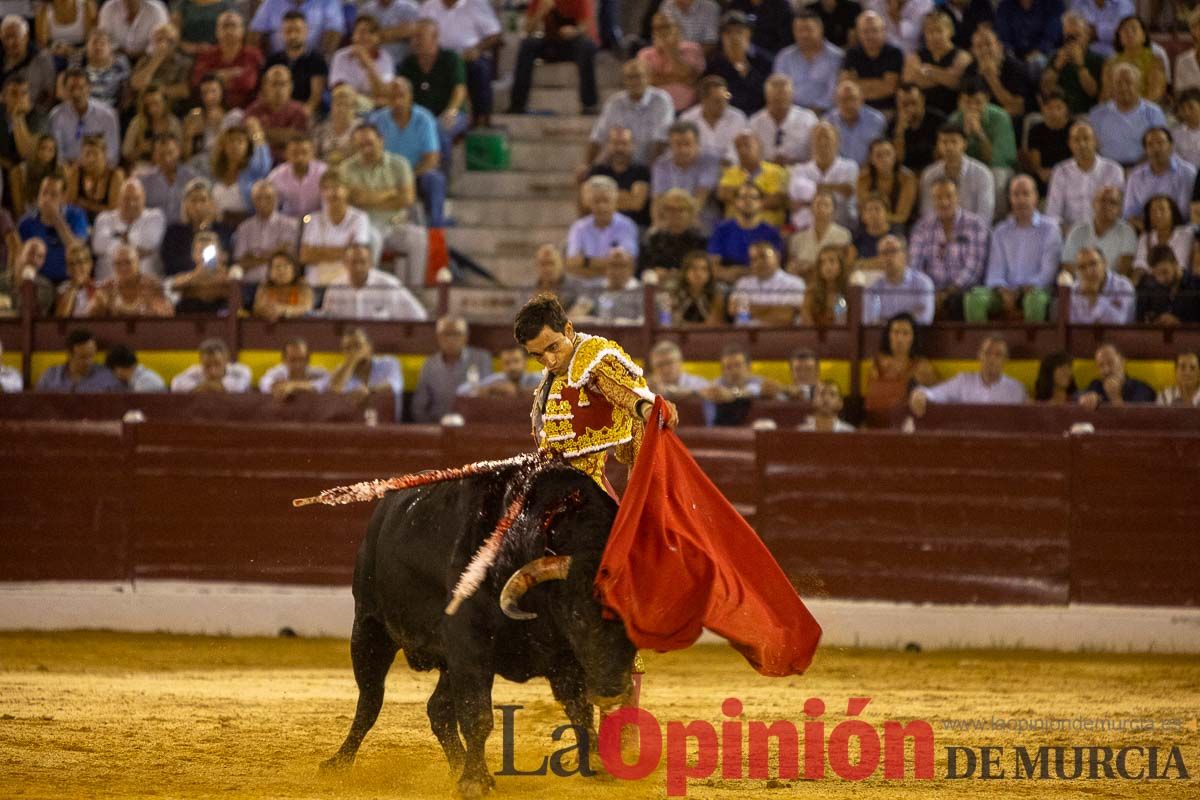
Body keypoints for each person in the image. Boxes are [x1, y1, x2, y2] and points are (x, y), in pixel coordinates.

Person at [515, 294, 679, 486]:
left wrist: (646, 408)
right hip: (557, 480)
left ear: (568, 330)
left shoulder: (593, 356)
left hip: (586, 485)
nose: (549, 361)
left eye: (553, 347)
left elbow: (618, 387)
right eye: (537, 355)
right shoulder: (554, 373)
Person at [338, 121, 428, 285]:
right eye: (360, 145)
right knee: (372, 239)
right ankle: (371, 288)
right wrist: (390, 194)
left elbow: (407, 199)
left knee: (418, 237)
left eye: (370, 143)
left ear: (381, 140)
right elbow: (352, 201)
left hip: (396, 224)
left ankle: (415, 290)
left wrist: (367, 198)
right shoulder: (346, 168)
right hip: (365, 224)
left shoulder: (399, 164)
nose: (366, 149)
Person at [972, 175, 1060, 322]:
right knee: (974, 299)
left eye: (1026, 194)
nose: (1020, 200)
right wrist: (1002, 290)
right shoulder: (1000, 231)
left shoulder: (1050, 229)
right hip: (1005, 291)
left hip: (1036, 290)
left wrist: (1021, 290)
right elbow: (994, 271)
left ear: (1035, 197)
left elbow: (1048, 273)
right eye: (1016, 194)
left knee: (1034, 301)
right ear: (1010, 198)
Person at [908, 177, 989, 320]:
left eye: (949, 196)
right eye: (938, 197)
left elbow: (974, 268)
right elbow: (915, 267)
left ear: (958, 197)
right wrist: (930, 292)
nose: (944, 202)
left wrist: (949, 292)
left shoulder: (976, 225)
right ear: (932, 200)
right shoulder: (921, 227)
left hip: (964, 290)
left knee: (958, 301)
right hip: (930, 291)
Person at [369, 77, 446, 227]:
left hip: (416, 174)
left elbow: (432, 159)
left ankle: (436, 230)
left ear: (410, 96)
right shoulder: (376, 121)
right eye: (393, 97)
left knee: (435, 179)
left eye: (401, 96)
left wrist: (407, 177)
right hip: (385, 175)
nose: (397, 101)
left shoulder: (424, 119)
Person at [418, 0, 502, 128]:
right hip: (438, 58)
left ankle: (481, 120)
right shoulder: (429, 6)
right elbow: (419, 31)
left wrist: (477, 49)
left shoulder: (476, 4)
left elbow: (495, 34)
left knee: (480, 68)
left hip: (469, 56)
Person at [400, 19, 469, 173]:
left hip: (450, 114)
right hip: (419, 117)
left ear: (435, 37)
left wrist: (451, 110)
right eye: (413, 37)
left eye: (420, 37)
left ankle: (441, 181)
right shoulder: (408, 64)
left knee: (439, 129)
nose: (415, 41)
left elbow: (460, 88)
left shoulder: (451, 58)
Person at [508, 0, 597, 115]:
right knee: (527, 44)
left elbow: (587, 25)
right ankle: (517, 104)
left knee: (587, 46)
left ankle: (589, 104)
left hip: (572, 44)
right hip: (551, 44)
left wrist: (574, 31)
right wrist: (541, 12)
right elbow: (527, 29)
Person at [584, 60, 674, 171]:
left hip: (654, 165)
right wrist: (586, 165)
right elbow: (598, 137)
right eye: (629, 77)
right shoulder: (614, 102)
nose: (634, 81)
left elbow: (662, 140)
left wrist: (651, 172)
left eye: (638, 76)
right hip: (621, 167)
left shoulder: (661, 100)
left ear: (649, 78)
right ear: (624, 80)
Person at [909, 336, 1027, 416]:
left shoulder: (1017, 389)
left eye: (998, 355)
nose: (992, 359)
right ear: (979, 356)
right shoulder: (963, 381)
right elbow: (935, 393)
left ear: (1005, 360)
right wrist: (920, 394)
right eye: (987, 353)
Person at [1045, 121, 1124, 231]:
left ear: (1095, 141)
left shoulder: (1113, 170)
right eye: (1076, 140)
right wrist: (1071, 234)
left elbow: (1117, 210)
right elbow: (1053, 213)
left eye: (1086, 139)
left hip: (1105, 232)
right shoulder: (1060, 171)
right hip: (1069, 234)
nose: (1082, 144)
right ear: (1070, 144)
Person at [411, 315, 492, 423]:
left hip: (471, 427)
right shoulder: (429, 364)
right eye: (446, 334)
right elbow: (419, 407)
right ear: (438, 337)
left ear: (466, 337)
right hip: (437, 428)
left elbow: (488, 400)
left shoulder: (481, 359)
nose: (451, 339)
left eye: (457, 334)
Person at [298, 170, 372, 285]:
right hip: (316, 283)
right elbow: (305, 256)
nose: (332, 192)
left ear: (347, 190)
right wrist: (344, 250)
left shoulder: (360, 218)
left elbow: (357, 256)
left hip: (346, 283)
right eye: (327, 188)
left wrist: (318, 252)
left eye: (337, 187)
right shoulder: (312, 219)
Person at [1087, 63, 1166, 168]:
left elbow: (1160, 147)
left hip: (1144, 169)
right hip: (1106, 172)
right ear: (1111, 86)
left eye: (1128, 82)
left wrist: (1136, 170)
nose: (1123, 87)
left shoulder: (1153, 113)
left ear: (1139, 85)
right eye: (1118, 83)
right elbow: (1092, 148)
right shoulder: (1097, 114)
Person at [320, 243, 428, 321]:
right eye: (353, 262)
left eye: (362, 262)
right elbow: (326, 323)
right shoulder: (335, 288)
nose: (358, 267)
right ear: (345, 264)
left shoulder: (390, 285)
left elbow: (419, 316)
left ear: (371, 263)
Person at [864, 311, 936, 422]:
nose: (899, 339)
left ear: (913, 338)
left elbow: (933, 402)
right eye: (895, 332)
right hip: (873, 424)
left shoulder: (922, 367)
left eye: (905, 333)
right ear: (888, 335)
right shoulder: (876, 363)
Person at [565, 175, 640, 281]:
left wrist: (586, 262)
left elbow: (628, 264)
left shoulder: (627, 226)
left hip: (618, 287)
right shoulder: (578, 227)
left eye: (606, 200)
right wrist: (612, 266)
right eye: (597, 201)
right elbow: (571, 264)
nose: (602, 206)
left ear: (615, 201)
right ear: (589, 203)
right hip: (584, 288)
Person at [650, 120, 720, 232]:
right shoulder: (661, 164)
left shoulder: (709, 161)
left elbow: (701, 198)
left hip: (701, 220)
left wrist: (680, 224)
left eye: (687, 144)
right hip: (670, 220)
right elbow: (658, 200)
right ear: (670, 145)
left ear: (697, 143)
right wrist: (657, 225)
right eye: (678, 144)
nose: (683, 150)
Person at [17, 174, 88, 283]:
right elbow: (19, 258)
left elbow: (78, 252)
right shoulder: (26, 222)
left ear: (63, 197)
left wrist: (56, 219)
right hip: (38, 281)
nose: (47, 198)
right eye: (44, 193)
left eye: (53, 194)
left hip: (69, 280)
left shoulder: (76, 215)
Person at [91, 177, 166, 279]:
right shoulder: (104, 218)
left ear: (144, 198)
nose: (131, 203)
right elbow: (99, 245)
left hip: (147, 286)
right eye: (126, 199)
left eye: (136, 198)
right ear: (118, 199)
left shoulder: (155, 216)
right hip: (108, 286)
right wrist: (137, 250)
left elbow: (149, 242)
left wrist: (116, 241)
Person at [918, 123, 994, 224]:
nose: (949, 147)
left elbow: (985, 214)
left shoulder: (982, 173)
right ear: (938, 145)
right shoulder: (929, 174)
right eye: (944, 142)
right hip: (938, 233)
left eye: (954, 142)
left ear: (964, 144)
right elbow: (927, 211)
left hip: (973, 231)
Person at [788, 121, 858, 230]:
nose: (822, 142)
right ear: (811, 142)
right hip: (804, 229)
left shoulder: (850, 167)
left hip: (841, 228)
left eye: (827, 137)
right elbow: (795, 200)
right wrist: (836, 188)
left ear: (837, 141)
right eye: (818, 138)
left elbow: (842, 198)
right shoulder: (799, 169)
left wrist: (808, 201)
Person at [772, 8, 843, 115]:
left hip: (827, 114)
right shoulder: (784, 57)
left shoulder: (837, 57)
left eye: (808, 29)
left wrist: (814, 112)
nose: (804, 35)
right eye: (799, 30)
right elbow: (779, 90)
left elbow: (834, 92)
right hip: (792, 115)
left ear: (820, 29)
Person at [160, 177, 234, 278]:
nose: (198, 206)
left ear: (211, 203)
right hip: (184, 283)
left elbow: (230, 260)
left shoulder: (225, 231)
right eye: (193, 201)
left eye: (203, 200)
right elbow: (170, 265)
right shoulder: (174, 232)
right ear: (186, 205)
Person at [707, 181, 784, 278]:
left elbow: (774, 266)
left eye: (753, 197)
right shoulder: (721, 230)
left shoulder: (772, 232)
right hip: (726, 282)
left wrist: (745, 274)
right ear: (735, 201)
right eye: (743, 197)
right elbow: (713, 266)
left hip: (761, 282)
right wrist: (727, 274)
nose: (748, 201)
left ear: (761, 202)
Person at [902, 10, 970, 118]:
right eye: (930, 32)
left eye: (939, 30)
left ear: (950, 31)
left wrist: (928, 71)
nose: (934, 36)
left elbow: (956, 82)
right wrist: (943, 76)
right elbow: (908, 84)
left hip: (953, 113)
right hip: (922, 114)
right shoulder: (914, 57)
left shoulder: (962, 56)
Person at [189, 11, 263, 109]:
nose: (229, 30)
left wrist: (215, 76)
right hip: (209, 109)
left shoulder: (253, 54)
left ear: (242, 30)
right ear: (216, 31)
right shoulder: (206, 54)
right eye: (225, 26)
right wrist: (233, 74)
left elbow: (248, 83)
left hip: (245, 110)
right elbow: (197, 81)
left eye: (233, 26)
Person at [262, 10, 329, 119]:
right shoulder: (273, 60)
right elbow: (265, 91)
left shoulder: (317, 60)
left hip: (305, 113)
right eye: (288, 31)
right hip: (275, 113)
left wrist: (300, 116)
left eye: (297, 30)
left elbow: (315, 97)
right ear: (282, 33)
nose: (293, 35)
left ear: (306, 31)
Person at [704, 10, 772, 115]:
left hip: (760, 115)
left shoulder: (763, 60)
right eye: (728, 32)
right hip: (727, 117)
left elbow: (767, 93)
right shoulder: (714, 64)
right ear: (721, 37)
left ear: (748, 34)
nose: (734, 37)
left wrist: (744, 68)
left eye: (739, 31)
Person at [326, 327, 404, 418]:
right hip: (353, 427)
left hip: (387, 427)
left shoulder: (389, 363)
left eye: (357, 346)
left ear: (369, 347)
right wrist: (352, 361)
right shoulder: (341, 371)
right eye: (347, 348)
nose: (353, 351)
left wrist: (369, 391)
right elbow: (332, 392)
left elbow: (394, 385)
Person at [1061, 186, 1137, 278]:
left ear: (1120, 209)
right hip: (1081, 287)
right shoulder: (1077, 230)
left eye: (1113, 203)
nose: (1106, 206)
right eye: (1102, 200)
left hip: (1113, 287)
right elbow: (1068, 265)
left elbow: (1124, 270)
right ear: (1093, 204)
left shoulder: (1127, 232)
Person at [1123, 128, 1195, 225]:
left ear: (1171, 146)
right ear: (1146, 150)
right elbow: (1129, 212)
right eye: (1150, 144)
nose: (1156, 148)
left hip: (1179, 228)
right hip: (1145, 229)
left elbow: (1185, 212)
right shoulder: (1135, 176)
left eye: (1160, 143)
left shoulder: (1187, 172)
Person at [48, 67, 120, 163]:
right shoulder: (56, 116)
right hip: (68, 169)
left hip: (99, 168)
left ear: (90, 88)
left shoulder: (107, 115)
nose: (76, 93)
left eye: (81, 88)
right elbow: (57, 154)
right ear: (65, 89)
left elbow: (112, 153)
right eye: (72, 88)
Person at [207, 119, 272, 225]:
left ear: (247, 147)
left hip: (247, 225)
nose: (235, 145)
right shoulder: (214, 174)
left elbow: (263, 163)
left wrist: (257, 134)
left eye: (240, 141)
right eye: (231, 141)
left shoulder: (253, 172)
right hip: (219, 226)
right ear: (223, 146)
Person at [717, 131, 788, 229]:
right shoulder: (730, 172)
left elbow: (776, 200)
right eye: (738, 147)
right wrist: (760, 196)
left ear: (759, 147)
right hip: (734, 229)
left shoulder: (776, 171)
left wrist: (740, 197)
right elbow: (723, 193)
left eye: (747, 145)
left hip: (768, 228)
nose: (742, 150)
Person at [839, 10, 903, 118]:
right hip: (857, 110)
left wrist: (858, 84)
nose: (870, 36)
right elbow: (846, 86)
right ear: (858, 33)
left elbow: (889, 87)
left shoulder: (894, 53)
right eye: (865, 31)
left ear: (883, 31)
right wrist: (879, 83)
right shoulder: (852, 54)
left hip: (887, 110)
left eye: (874, 30)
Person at [586, 126, 651, 229]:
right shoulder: (597, 171)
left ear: (632, 146)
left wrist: (603, 198)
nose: (620, 148)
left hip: (636, 227)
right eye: (615, 143)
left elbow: (636, 204)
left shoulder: (641, 171)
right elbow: (588, 202)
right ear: (608, 146)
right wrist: (627, 196)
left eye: (624, 144)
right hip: (600, 226)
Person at [638, 12, 705, 113]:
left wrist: (670, 50)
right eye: (657, 28)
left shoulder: (693, 49)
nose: (661, 32)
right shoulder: (645, 54)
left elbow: (689, 75)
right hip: (655, 111)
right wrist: (681, 79)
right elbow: (648, 81)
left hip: (688, 110)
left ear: (677, 28)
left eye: (666, 26)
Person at [1040, 10, 1104, 116]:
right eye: (1068, 37)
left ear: (1087, 35)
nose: (1071, 41)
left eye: (1076, 36)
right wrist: (1057, 66)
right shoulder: (1056, 57)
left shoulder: (1098, 60)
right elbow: (1045, 89)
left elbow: (1093, 93)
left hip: (1086, 113)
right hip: (1058, 113)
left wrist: (1080, 66)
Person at [727, 240, 805, 325]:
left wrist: (750, 310)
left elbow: (788, 316)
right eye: (754, 259)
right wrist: (774, 310)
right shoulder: (742, 283)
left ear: (777, 257)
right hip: (745, 335)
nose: (759, 263)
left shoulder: (795, 283)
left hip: (780, 335)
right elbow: (735, 311)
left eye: (763, 257)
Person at [232, 181, 299, 280]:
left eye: (268, 197)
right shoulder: (244, 228)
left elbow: (289, 258)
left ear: (276, 199)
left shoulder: (290, 225)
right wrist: (275, 252)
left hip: (281, 282)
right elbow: (241, 262)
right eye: (258, 198)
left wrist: (254, 256)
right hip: (251, 283)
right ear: (253, 201)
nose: (263, 202)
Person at [747, 73, 817, 167]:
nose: (780, 100)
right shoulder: (755, 122)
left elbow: (818, 152)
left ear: (791, 96)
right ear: (767, 97)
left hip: (800, 172)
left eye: (784, 96)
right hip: (764, 174)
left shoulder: (807, 119)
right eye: (776, 98)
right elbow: (749, 156)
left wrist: (794, 163)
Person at [87, 242, 174, 317]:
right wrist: (100, 307)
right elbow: (90, 320)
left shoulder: (153, 287)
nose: (123, 268)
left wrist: (156, 311)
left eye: (128, 262)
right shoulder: (106, 288)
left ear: (138, 263)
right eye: (118, 264)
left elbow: (167, 319)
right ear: (113, 266)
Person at [244, 65, 310, 164]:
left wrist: (260, 132)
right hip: (260, 164)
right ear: (265, 86)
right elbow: (248, 139)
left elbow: (295, 139)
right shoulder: (253, 110)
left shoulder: (298, 111)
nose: (278, 89)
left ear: (291, 86)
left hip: (289, 164)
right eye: (274, 84)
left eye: (283, 84)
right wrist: (282, 134)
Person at [863, 235, 935, 324]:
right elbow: (870, 321)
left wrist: (886, 321)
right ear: (879, 259)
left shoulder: (923, 283)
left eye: (893, 251)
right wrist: (910, 316)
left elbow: (924, 319)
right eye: (884, 253)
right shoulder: (873, 288)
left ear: (905, 255)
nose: (888, 257)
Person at [638, 189, 707, 277]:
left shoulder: (700, 241)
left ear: (691, 213)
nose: (674, 213)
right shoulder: (653, 239)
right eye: (669, 209)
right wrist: (654, 272)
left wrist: (679, 274)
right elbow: (644, 268)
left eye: (681, 209)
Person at [786, 190, 849, 281]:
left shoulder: (843, 235)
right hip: (803, 282)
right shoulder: (797, 237)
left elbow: (841, 265)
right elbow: (791, 264)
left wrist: (810, 267)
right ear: (811, 208)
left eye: (826, 205)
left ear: (833, 210)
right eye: (818, 204)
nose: (821, 208)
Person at [1101, 15, 1165, 106]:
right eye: (1125, 30)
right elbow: (1106, 95)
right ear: (1119, 37)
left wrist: (1133, 111)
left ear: (1143, 36)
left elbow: (1155, 95)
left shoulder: (1154, 61)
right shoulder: (1110, 63)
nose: (1129, 33)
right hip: (1116, 112)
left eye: (1134, 29)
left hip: (1146, 111)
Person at [679, 75, 746, 161]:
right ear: (703, 100)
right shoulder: (687, 119)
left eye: (725, 99)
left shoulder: (738, 118)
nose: (723, 105)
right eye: (717, 101)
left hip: (730, 170)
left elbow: (738, 151)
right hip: (697, 169)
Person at [329, 14, 394, 102]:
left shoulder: (386, 58)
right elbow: (339, 91)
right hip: (348, 106)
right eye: (361, 32)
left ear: (378, 37)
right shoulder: (341, 56)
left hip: (376, 109)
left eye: (370, 32)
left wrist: (367, 63)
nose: (365, 37)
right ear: (353, 36)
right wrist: (368, 101)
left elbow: (384, 93)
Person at [130, 23, 192, 114]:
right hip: (144, 109)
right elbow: (136, 84)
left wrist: (158, 91)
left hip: (171, 109)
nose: (164, 44)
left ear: (176, 43)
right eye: (160, 40)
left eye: (169, 41)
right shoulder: (145, 60)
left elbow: (184, 91)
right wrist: (156, 60)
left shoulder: (184, 62)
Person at [34, 327, 121, 391]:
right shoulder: (51, 376)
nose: (88, 362)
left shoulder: (106, 377)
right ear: (70, 355)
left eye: (91, 356)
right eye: (83, 357)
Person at [166, 229, 233, 313]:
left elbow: (235, 289)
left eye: (209, 250)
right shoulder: (186, 277)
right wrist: (197, 275)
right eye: (200, 250)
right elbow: (174, 287)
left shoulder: (227, 276)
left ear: (219, 253)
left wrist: (220, 273)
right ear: (193, 254)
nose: (204, 255)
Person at [249, 0, 345, 58]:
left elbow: (334, 32)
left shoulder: (328, 1)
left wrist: (322, 62)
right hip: (277, 61)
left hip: (313, 62)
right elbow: (255, 33)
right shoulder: (271, 2)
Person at [570, 248, 642, 323]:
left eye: (622, 266)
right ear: (606, 268)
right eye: (613, 265)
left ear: (632, 269)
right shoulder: (594, 290)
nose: (617, 271)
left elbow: (645, 322)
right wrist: (594, 321)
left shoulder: (642, 293)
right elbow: (574, 317)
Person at [823, 80, 887, 165]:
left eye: (852, 98)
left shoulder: (876, 120)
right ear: (836, 101)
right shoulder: (827, 122)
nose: (849, 104)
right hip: (839, 171)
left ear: (861, 99)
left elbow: (881, 152)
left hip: (869, 171)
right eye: (844, 100)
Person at [0, 16, 56, 112]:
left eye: (14, 36)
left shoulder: (42, 59)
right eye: (6, 37)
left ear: (26, 37)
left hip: (33, 112)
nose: (10, 42)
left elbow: (49, 94)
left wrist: (35, 110)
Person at [64, 133, 123, 223]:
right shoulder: (76, 172)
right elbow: (69, 203)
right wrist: (99, 208)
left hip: (107, 223)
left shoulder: (115, 176)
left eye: (95, 154)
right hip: (79, 222)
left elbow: (113, 212)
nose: (91, 159)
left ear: (104, 155)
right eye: (87, 154)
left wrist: (85, 204)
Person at [140, 133, 198, 223]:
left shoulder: (191, 177)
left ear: (178, 151)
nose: (167, 159)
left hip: (184, 229)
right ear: (154, 155)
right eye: (161, 154)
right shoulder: (145, 181)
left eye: (170, 153)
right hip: (155, 231)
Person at [1136, 244, 1200, 325]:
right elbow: (1140, 322)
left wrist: (1180, 323)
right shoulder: (1149, 289)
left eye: (1165, 272)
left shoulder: (1196, 286)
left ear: (1175, 263)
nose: (1161, 279)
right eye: (1156, 274)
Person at [1022, 90, 1072, 194]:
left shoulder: (1074, 129)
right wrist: (1041, 171)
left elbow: (1078, 158)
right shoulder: (1036, 130)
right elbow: (1035, 163)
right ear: (1043, 109)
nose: (1053, 112)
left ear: (1066, 110)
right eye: (1049, 108)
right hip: (1045, 175)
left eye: (1058, 108)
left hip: (1070, 173)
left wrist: (1058, 173)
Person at [857, 138, 916, 226]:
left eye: (888, 154)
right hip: (869, 225)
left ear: (894, 156)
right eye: (879, 155)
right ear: (871, 159)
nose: (884, 159)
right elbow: (863, 213)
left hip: (898, 225)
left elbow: (902, 216)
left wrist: (877, 217)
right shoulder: (863, 179)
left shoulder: (907, 178)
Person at [1069, 246, 1134, 324]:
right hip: (1083, 336)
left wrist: (1094, 297)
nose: (1088, 271)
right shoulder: (1074, 289)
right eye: (1082, 267)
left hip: (1118, 335)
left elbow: (1119, 322)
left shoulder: (1123, 286)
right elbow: (1071, 325)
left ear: (1105, 263)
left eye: (1093, 264)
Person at [268, 133, 327, 219]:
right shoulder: (277, 175)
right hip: (287, 222)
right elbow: (270, 204)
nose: (300, 157)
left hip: (318, 222)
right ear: (286, 154)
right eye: (294, 153)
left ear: (312, 153)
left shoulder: (323, 172)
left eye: (304, 152)